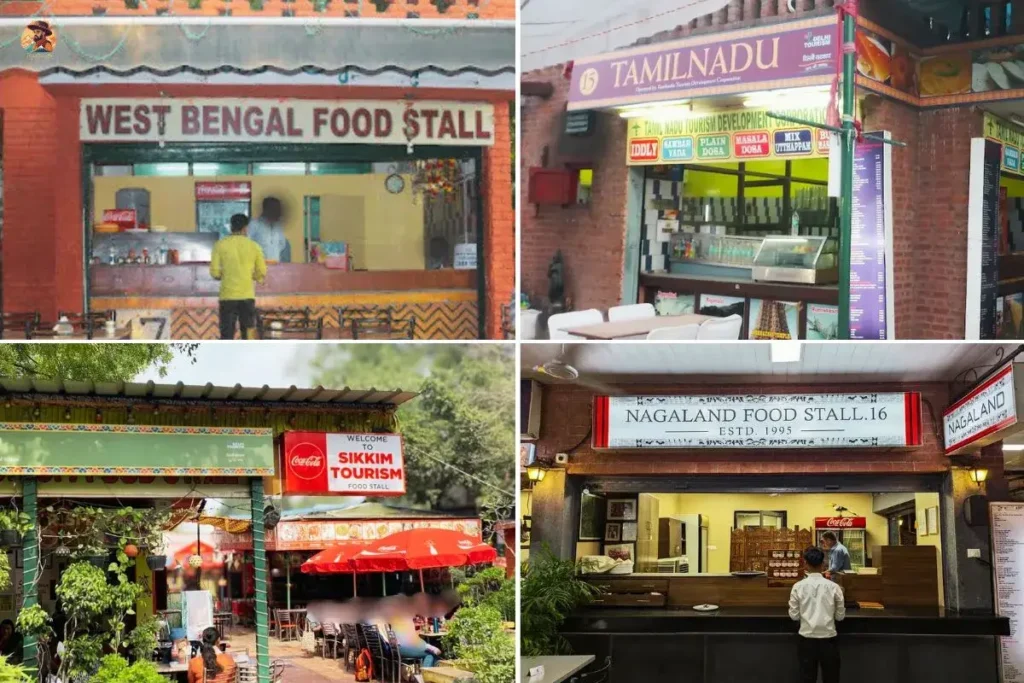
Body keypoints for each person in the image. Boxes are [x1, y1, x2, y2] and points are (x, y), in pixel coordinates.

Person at [789, 546, 845, 683]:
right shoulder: (834, 587)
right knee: (831, 678)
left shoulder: (797, 587)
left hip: (806, 639)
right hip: (829, 640)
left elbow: (794, 616)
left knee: (807, 678)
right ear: (823, 564)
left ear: (805, 564)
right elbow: (840, 616)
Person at [209, 213, 267, 340]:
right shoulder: (254, 246)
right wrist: (253, 276)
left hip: (227, 297)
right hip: (247, 296)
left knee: (227, 335)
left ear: (231, 227)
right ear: (246, 228)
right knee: (249, 335)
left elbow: (214, 272)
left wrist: (223, 275)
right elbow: (262, 271)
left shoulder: (220, 245)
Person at [247, 197, 291, 263]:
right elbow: (247, 244)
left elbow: (282, 244)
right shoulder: (254, 224)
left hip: (276, 265)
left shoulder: (278, 226)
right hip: (259, 265)